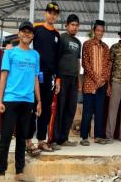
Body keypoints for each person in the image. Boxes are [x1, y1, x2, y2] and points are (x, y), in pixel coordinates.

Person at [0, 21, 42, 181]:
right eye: (24, 31)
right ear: (19, 33)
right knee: (6, 137)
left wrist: (39, 101)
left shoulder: (35, 55)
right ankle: (1, 173)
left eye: (29, 32)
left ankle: (19, 172)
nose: (26, 34)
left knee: (22, 138)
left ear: (32, 36)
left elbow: (36, 79)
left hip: (28, 101)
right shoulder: (10, 53)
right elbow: (3, 76)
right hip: (10, 100)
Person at [26, 2, 61, 154]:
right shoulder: (37, 28)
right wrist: (10, 46)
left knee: (46, 109)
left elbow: (58, 58)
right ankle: (28, 141)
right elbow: (24, 39)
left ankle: (41, 141)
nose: (52, 15)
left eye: (54, 13)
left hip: (50, 77)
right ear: (45, 13)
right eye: (49, 12)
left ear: (57, 16)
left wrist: (58, 79)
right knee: (33, 107)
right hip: (35, 75)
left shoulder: (57, 35)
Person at [51, 14, 82, 147]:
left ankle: (64, 138)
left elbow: (77, 61)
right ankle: (55, 139)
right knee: (60, 108)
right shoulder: (61, 38)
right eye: (72, 25)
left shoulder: (78, 42)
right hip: (62, 78)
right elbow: (56, 59)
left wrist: (78, 79)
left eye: (76, 25)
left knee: (71, 108)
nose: (74, 27)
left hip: (73, 79)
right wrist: (57, 78)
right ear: (67, 26)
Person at [80, 20, 111, 146]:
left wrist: (102, 80)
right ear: (94, 31)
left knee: (99, 111)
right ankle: (84, 137)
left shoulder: (106, 47)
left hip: (102, 85)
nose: (100, 33)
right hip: (89, 83)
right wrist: (96, 78)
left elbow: (108, 65)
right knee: (87, 111)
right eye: (98, 30)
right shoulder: (87, 44)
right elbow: (85, 63)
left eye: (102, 31)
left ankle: (98, 136)